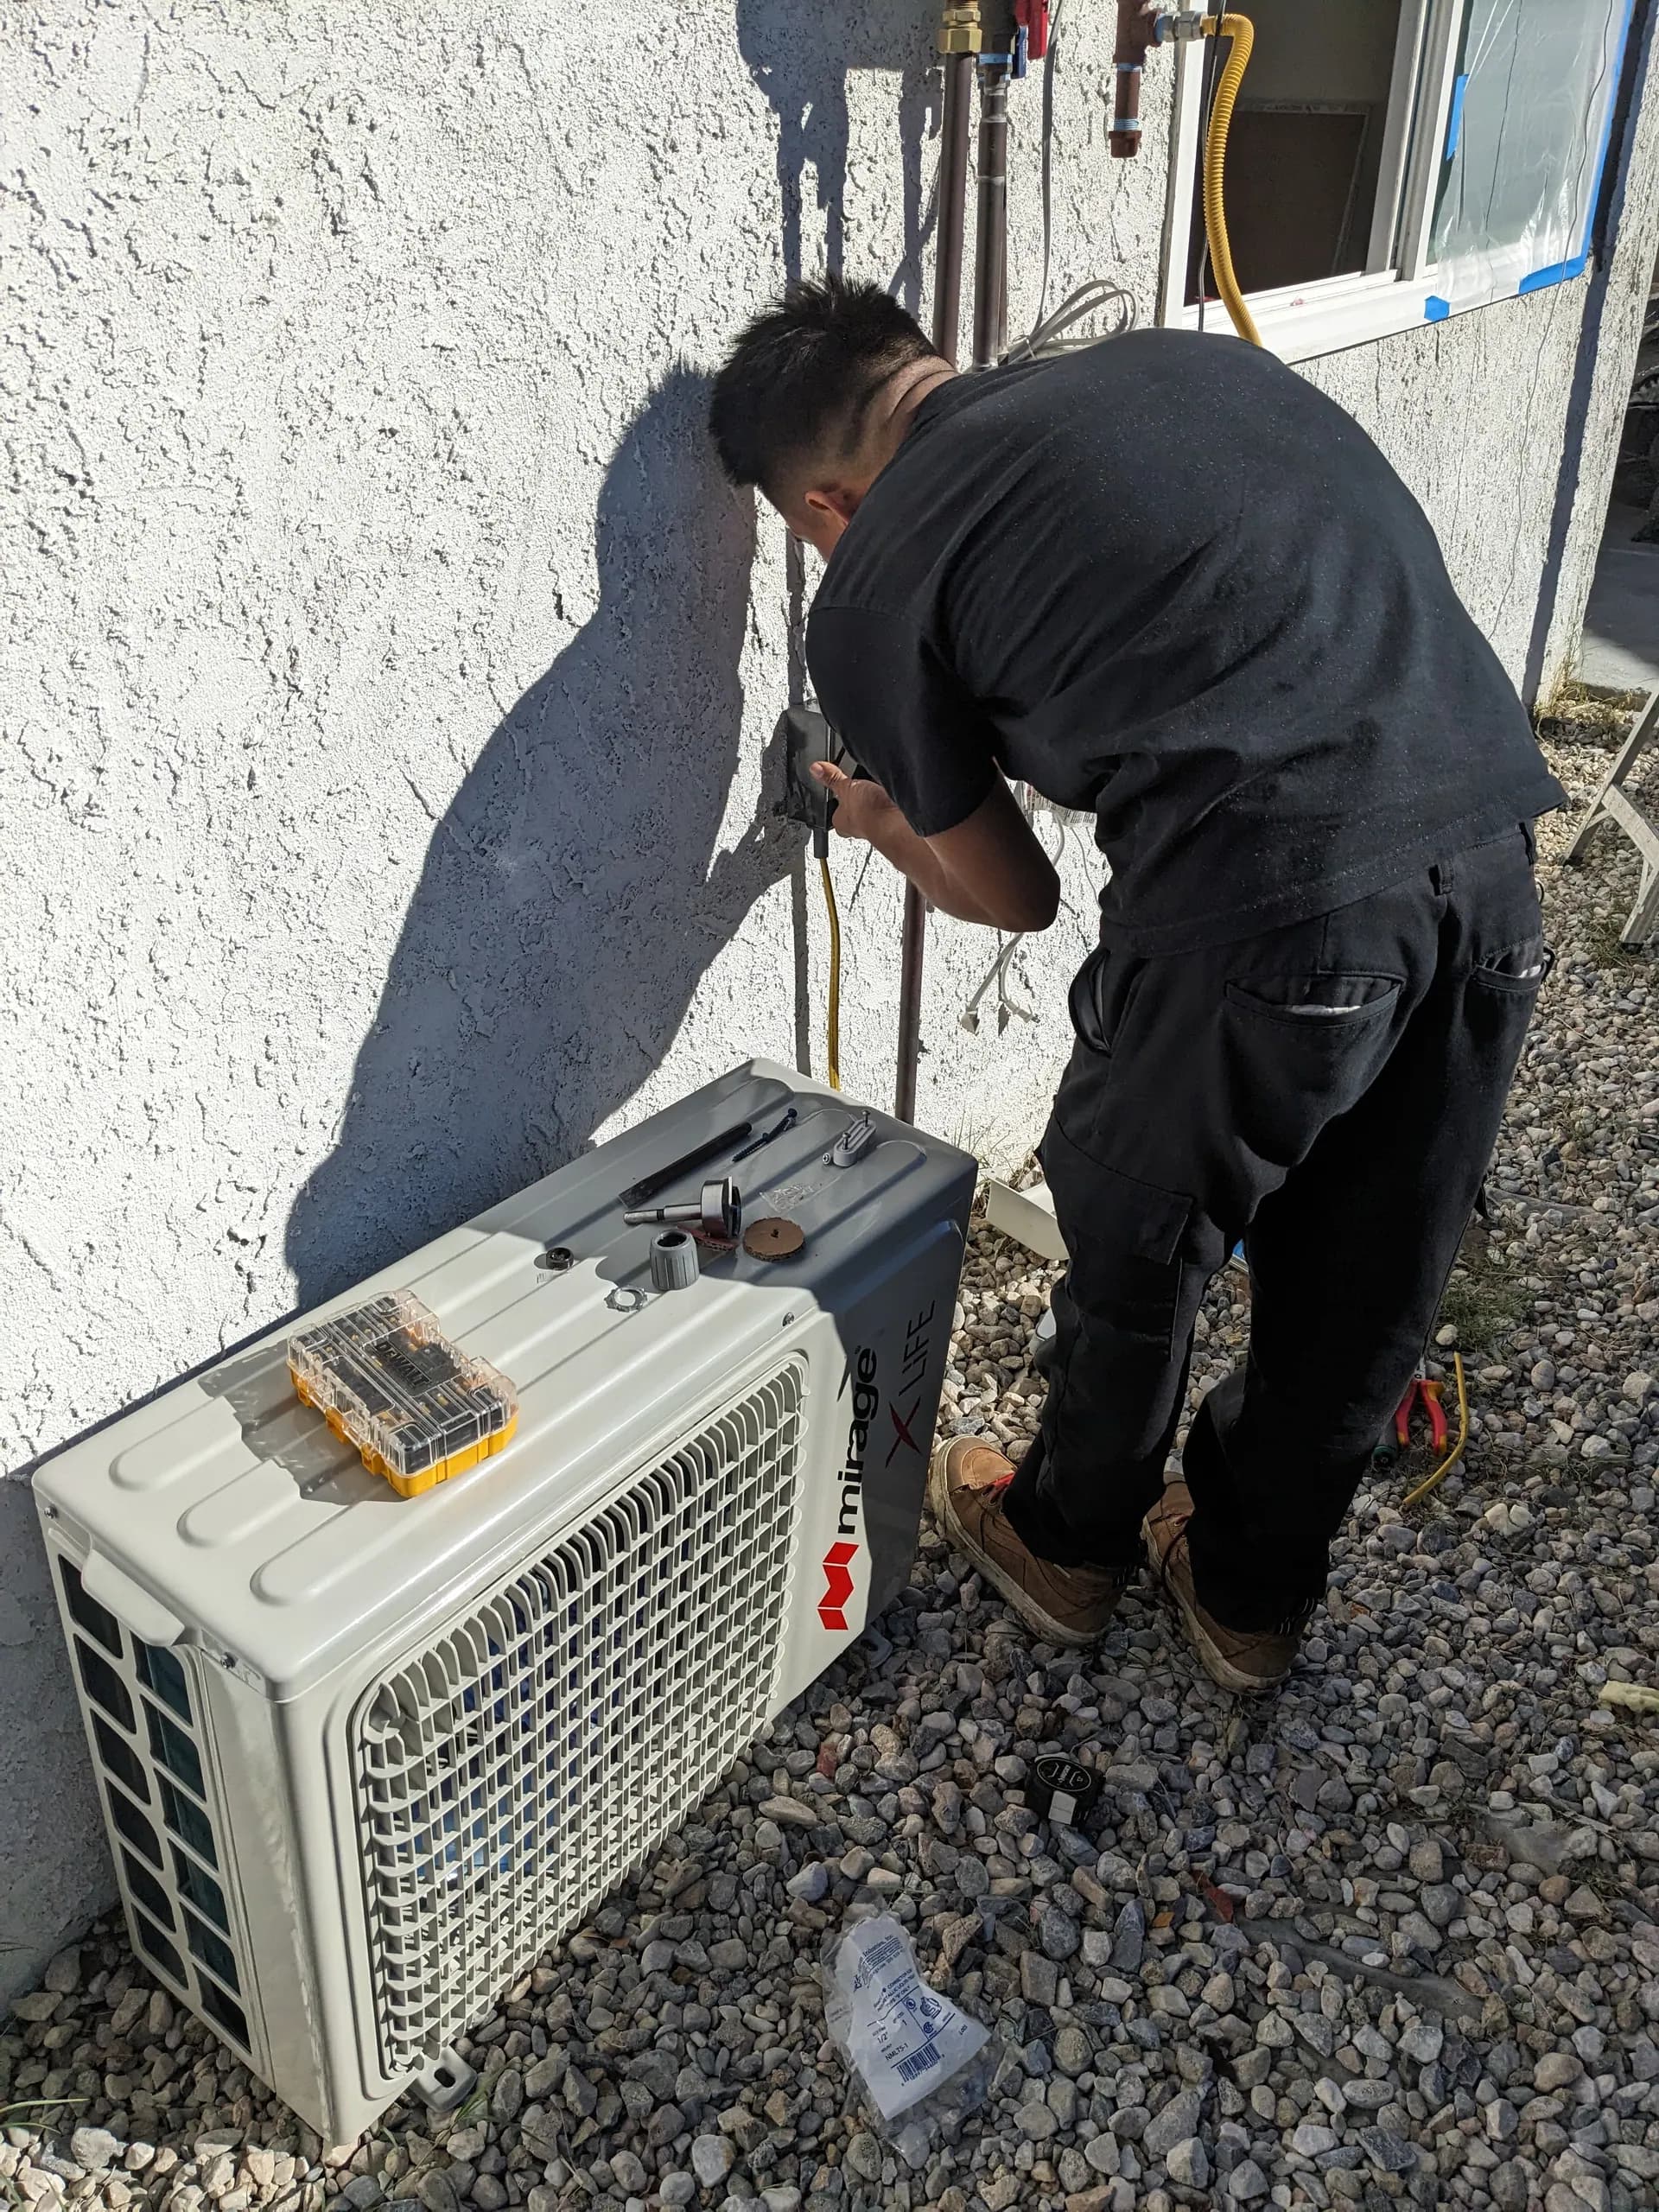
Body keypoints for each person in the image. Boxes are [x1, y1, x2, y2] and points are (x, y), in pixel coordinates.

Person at [708, 276, 1563, 1693]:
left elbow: (1014, 897)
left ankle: (1067, 1541)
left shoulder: (872, 577)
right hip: (1488, 866)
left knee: (1132, 1218)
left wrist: (873, 818)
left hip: (1272, 908)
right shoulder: (1176, 365)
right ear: (929, 368)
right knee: (1365, 1271)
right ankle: (1246, 1596)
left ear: (821, 509)